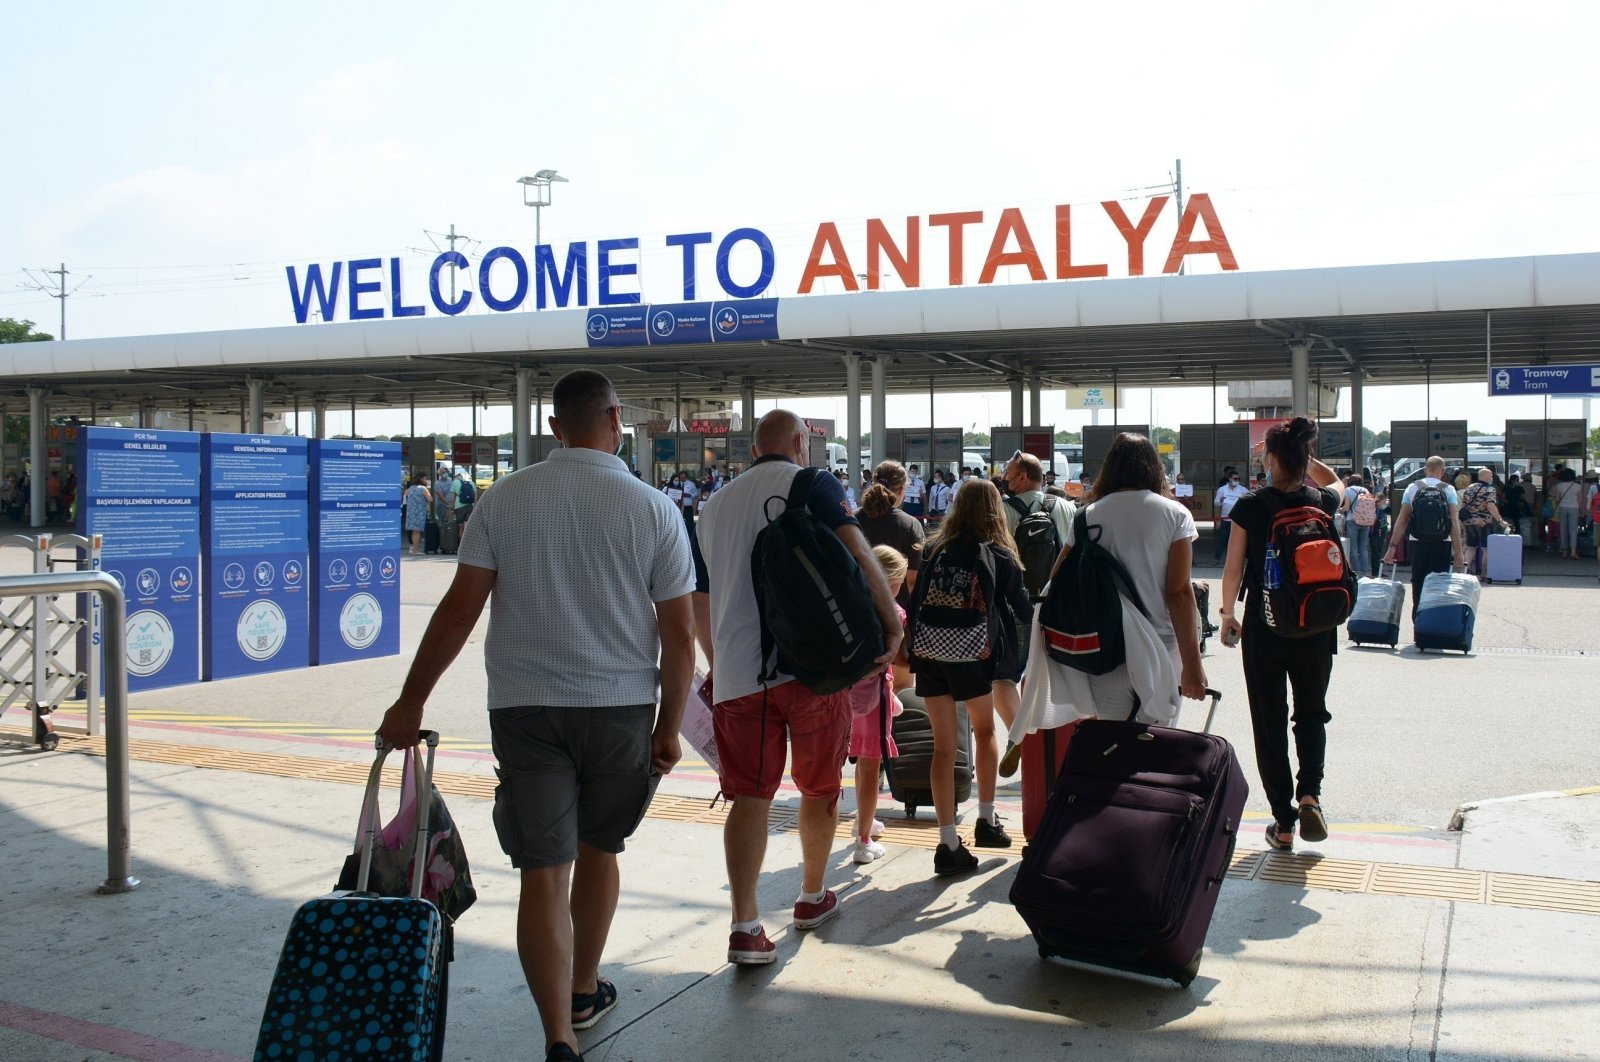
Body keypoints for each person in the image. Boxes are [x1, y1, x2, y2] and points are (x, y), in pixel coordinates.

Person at [377, 370, 695, 1062]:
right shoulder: (653, 509)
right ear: (615, 421)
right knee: (600, 851)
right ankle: (583, 988)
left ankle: (557, 1036)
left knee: (543, 873)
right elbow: (679, 637)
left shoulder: (505, 500)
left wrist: (411, 699)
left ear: (554, 428)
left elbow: (459, 609)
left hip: (525, 710)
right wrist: (669, 726)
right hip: (619, 709)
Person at [697, 410, 901, 966]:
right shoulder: (812, 483)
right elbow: (860, 554)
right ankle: (811, 896)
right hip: (814, 668)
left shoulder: (713, 505)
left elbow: (700, 600)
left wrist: (723, 665)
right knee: (819, 786)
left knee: (749, 796)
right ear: (797, 443)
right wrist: (892, 625)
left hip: (740, 678)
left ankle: (745, 926)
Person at [1218, 418, 1342, 854]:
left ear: (1271, 459)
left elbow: (1233, 569)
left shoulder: (1251, 505)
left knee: (1268, 721)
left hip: (1265, 625)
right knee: (1311, 713)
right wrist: (1307, 459)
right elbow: (1336, 481)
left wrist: (1227, 614)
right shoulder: (1323, 500)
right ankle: (1310, 794)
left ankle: (1283, 822)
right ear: (1305, 458)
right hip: (1316, 624)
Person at [906, 479, 1031, 875]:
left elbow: (914, 604)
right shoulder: (997, 554)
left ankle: (947, 842)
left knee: (944, 749)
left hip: (930, 655)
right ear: (995, 510)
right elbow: (1025, 609)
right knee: (984, 733)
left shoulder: (932, 550)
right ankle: (987, 820)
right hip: (973, 657)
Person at [1043, 433, 1207, 723]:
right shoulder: (1175, 514)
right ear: (1154, 468)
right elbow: (1179, 593)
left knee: (1112, 747)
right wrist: (1192, 666)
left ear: (1110, 469)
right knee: (1157, 744)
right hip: (1161, 647)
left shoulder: (1087, 516)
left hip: (1105, 646)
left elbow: (1058, 579)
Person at [995, 451, 1073, 752]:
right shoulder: (1067, 508)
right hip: (1059, 606)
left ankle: (1021, 738)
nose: (1004, 478)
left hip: (1015, 605)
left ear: (1023, 477)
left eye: (1008, 473)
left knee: (1004, 677)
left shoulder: (1001, 510)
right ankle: (1061, 748)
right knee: (1063, 678)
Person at [847, 545, 913, 864]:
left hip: (846, 694)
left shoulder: (852, 603)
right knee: (872, 765)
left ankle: (865, 819)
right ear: (893, 580)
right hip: (876, 695)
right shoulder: (895, 613)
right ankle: (864, 840)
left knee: (860, 759)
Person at [1381, 456, 1465, 636]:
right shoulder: (1448, 489)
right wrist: (1459, 552)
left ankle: (1418, 626)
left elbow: (1402, 520)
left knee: (1418, 582)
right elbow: (1454, 523)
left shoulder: (1413, 488)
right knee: (1439, 584)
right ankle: (1435, 626)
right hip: (1442, 544)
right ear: (1442, 472)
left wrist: (1392, 547)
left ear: (1426, 469)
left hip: (1417, 542)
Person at [855, 460, 924, 608]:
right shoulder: (910, 525)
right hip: (898, 610)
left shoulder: (851, 521)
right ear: (900, 490)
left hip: (858, 606)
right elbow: (912, 579)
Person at [1458, 467, 1508, 575]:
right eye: (1490, 476)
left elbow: (1463, 505)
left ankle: (1463, 573)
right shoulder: (1490, 489)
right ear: (1486, 477)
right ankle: (1483, 574)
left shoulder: (1469, 488)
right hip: (1483, 522)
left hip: (1469, 522)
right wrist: (1500, 520)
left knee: (1470, 548)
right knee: (1486, 549)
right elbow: (1491, 506)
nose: (1492, 478)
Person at [1336, 474, 1375, 577]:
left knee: (1353, 547)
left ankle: (1357, 571)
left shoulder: (1348, 490)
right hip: (1365, 522)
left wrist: (1339, 510)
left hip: (1352, 521)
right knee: (1363, 547)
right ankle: (1365, 571)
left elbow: (1346, 507)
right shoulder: (1365, 490)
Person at [1213, 468, 1250, 565]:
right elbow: (1216, 503)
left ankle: (1241, 561)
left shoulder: (1243, 490)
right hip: (1226, 519)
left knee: (1239, 541)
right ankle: (1216, 559)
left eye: (1238, 479)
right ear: (1229, 479)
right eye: (1235, 479)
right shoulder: (1222, 490)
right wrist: (1220, 500)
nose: (1237, 481)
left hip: (1238, 520)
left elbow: (1250, 501)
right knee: (1223, 540)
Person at [1553, 467, 1584, 559]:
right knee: (1573, 529)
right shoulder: (1578, 486)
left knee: (1563, 529)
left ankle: (1564, 551)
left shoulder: (1559, 486)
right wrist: (1582, 511)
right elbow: (1580, 500)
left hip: (1562, 508)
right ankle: (1573, 551)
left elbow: (1557, 499)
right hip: (1574, 508)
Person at [404, 475, 431, 555]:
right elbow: (430, 499)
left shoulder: (411, 488)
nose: (426, 480)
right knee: (417, 532)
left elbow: (406, 494)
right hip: (419, 513)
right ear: (421, 479)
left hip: (411, 512)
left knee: (414, 532)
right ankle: (416, 550)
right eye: (425, 479)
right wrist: (428, 488)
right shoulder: (423, 488)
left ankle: (415, 548)